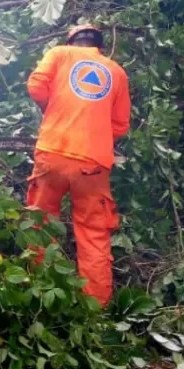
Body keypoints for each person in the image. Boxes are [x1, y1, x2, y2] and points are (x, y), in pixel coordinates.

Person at [24, 24, 131, 307]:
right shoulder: (116, 72)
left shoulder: (60, 54)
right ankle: (95, 309)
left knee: (40, 221)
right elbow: (120, 125)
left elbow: (35, 86)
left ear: (72, 41)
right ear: (99, 45)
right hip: (93, 164)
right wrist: (93, 129)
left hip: (53, 152)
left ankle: (41, 289)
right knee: (94, 232)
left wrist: (55, 110)